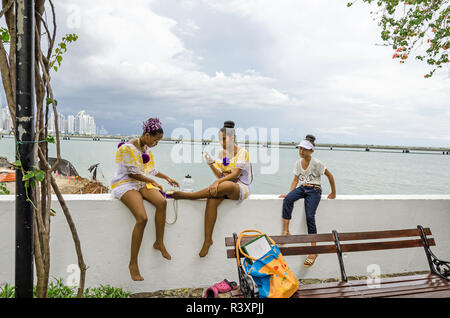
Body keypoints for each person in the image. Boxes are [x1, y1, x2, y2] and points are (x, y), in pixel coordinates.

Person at [110, 118, 179, 281]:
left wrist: (166, 178)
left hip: (140, 183)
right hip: (124, 184)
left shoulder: (147, 148)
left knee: (162, 202)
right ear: (147, 135)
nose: (156, 143)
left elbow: (151, 170)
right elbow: (132, 173)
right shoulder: (127, 149)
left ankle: (159, 243)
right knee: (142, 218)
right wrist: (152, 182)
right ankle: (133, 264)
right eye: (155, 140)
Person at [172, 120, 252, 257]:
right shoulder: (222, 154)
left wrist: (217, 182)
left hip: (240, 187)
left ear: (232, 138)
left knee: (225, 185)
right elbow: (220, 174)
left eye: (224, 139)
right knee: (211, 200)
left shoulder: (242, 152)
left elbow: (235, 174)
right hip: (225, 185)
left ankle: (189, 195)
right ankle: (208, 240)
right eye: (220, 139)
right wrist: (210, 164)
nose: (222, 142)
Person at [279, 134, 336, 267]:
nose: (301, 151)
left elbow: (330, 176)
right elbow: (295, 180)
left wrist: (333, 192)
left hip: (315, 190)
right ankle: (286, 231)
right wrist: (289, 193)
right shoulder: (298, 163)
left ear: (311, 151)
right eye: (300, 149)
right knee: (287, 200)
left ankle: (313, 250)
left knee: (310, 216)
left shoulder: (317, 163)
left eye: (304, 149)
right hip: (303, 188)